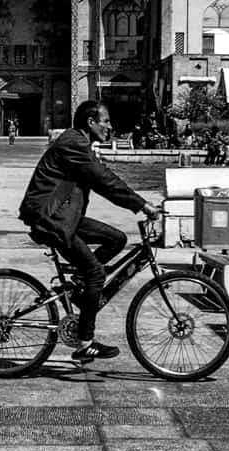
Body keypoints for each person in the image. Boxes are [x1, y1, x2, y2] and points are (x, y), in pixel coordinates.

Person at [17, 101, 163, 363]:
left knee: (116, 239)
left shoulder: (78, 143)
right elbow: (103, 180)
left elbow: (102, 178)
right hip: (50, 220)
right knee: (96, 272)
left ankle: (81, 289)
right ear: (90, 122)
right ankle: (85, 342)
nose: (110, 126)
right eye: (105, 121)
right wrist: (141, 205)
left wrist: (136, 202)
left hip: (65, 218)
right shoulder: (73, 143)